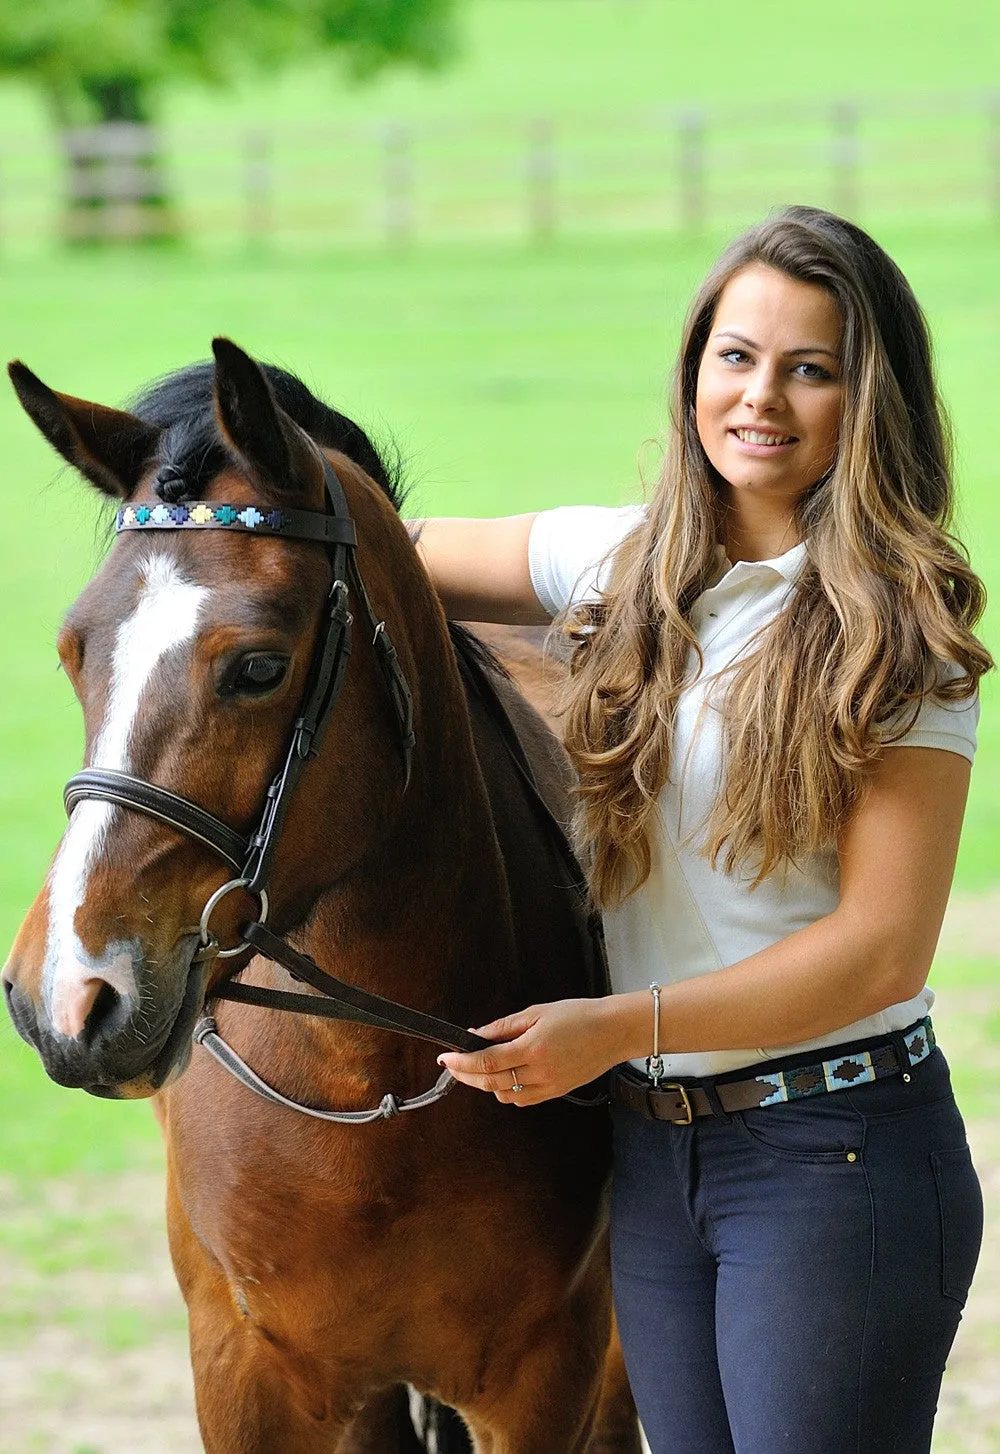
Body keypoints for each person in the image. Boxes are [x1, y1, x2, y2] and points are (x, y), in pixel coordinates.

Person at [415, 206, 992, 1453]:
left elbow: (878, 951)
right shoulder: (615, 563)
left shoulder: (905, 635)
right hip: (655, 1153)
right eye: (735, 357)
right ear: (691, 374)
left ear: (867, 396)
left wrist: (615, 1028)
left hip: (833, 1152)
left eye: (810, 368)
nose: (761, 398)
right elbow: (381, 548)